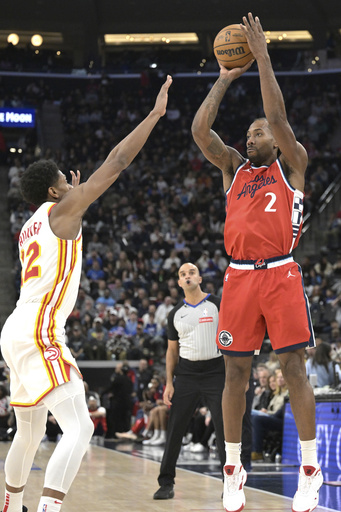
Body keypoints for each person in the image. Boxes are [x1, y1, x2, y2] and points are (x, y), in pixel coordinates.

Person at [0, 75, 172, 512]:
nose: (71, 181)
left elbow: (63, 229)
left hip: (16, 329)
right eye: (64, 179)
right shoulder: (63, 210)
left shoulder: (31, 224)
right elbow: (115, 162)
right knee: (80, 427)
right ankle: (47, 509)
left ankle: (10, 505)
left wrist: (72, 200)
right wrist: (153, 116)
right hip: (40, 330)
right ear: (56, 190)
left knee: (29, 432)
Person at [192, 13, 323, 512]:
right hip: (239, 278)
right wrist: (224, 78)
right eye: (247, 133)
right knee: (235, 377)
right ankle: (232, 469)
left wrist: (263, 57)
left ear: (275, 138)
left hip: (282, 272)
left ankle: (310, 471)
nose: (251, 137)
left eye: (258, 131)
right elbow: (200, 130)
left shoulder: (293, 163)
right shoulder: (233, 168)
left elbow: (280, 118)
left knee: (293, 369)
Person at [153, 262, 225, 500]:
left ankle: (230, 482)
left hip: (216, 372)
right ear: (179, 282)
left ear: (200, 278)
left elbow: (231, 339)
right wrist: (169, 383)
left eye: (191, 272)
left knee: (225, 429)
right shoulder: (175, 314)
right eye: (183, 274)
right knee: (175, 429)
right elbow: (171, 352)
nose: (187, 276)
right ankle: (166, 482)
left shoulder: (217, 304)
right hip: (187, 374)